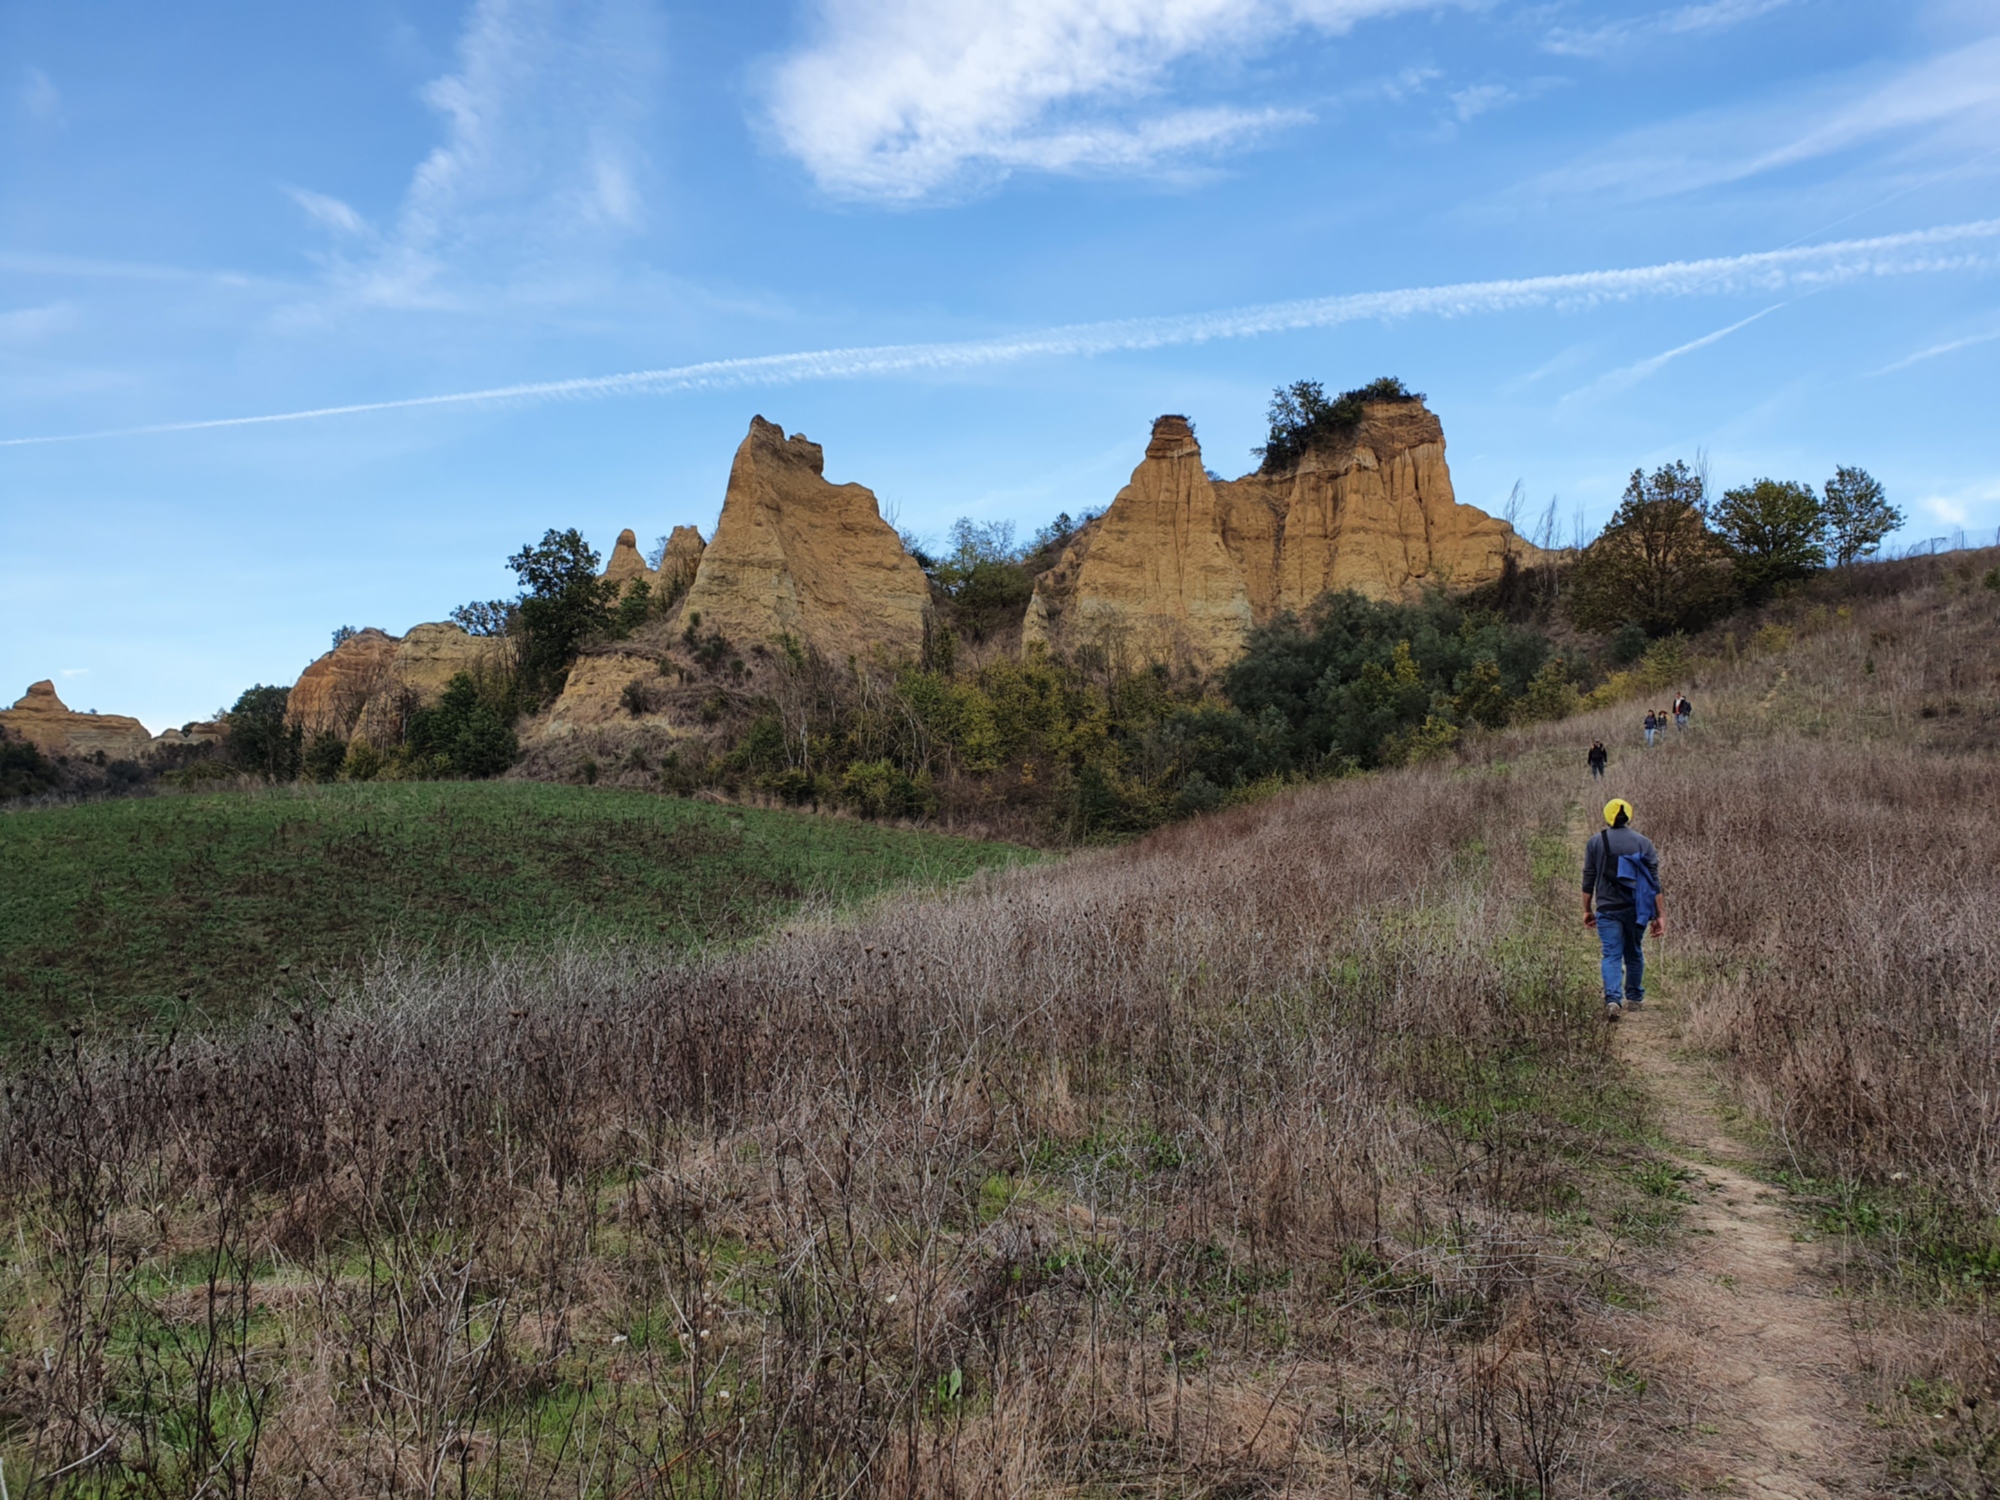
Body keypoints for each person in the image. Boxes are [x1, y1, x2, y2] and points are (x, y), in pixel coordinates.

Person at [1582, 797, 1664, 1021]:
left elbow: (1588, 878)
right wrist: (1659, 916)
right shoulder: (1643, 842)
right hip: (1638, 908)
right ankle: (1635, 998)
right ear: (1629, 814)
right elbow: (1654, 881)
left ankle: (1612, 999)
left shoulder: (1595, 842)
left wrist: (1587, 909)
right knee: (1634, 951)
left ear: (1607, 815)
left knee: (1611, 954)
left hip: (1608, 908)